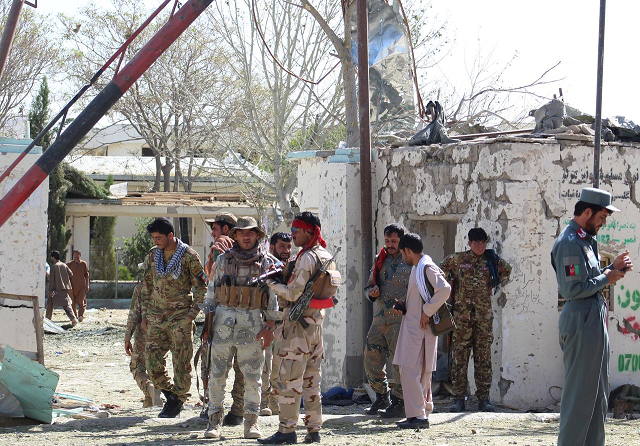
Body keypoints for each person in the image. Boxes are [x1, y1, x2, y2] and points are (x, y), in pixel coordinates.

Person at [551, 187, 632, 446]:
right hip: (580, 319)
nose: (604, 222)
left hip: (593, 318)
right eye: (602, 216)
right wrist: (607, 277)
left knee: (598, 396)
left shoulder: (586, 240)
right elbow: (572, 288)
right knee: (580, 395)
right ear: (587, 211)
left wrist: (611, 269)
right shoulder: (569, 242)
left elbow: (588, 279)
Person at [259, 211, 340, 445]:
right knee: (312, 382)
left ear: (308, 231)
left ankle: (287, 431)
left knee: (289, 382)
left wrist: (272, 283)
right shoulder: (325, 255)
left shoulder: (307, 258)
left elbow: (294, 293)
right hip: (316, 327)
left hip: (296, 329)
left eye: (296, 230)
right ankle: (314, 429)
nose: (292, 233)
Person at [202, 217, 279, 440]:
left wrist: (270, 327)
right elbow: (211, 293)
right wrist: (206, 326)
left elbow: (273, 299)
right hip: (223, 326)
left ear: (257, 236)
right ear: (235, 235)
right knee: (217, 377)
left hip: (253, 326)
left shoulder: (266, 263)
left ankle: (251, 423)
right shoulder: (223, 261)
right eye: (242, 232)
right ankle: (214, 422)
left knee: (252, 379)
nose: (247, 236)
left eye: (251, 233)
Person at [140, 217, 207, 418]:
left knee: (181, 363)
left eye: (159, 238)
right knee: (151, 363)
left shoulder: (188, 256)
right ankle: (171, 395)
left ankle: (178, 401)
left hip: (180, 319)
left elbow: (202, 287)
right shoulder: (153, 256)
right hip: (156, 318)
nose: (155, 242)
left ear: (171, 235)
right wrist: (144, 314)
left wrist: (192, 315)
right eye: (153, 238)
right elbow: (147, 286)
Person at [440, 227, 512, 412]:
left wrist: (492, 283)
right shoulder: (457, 259)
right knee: (459, 359)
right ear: (469, 242)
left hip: (483, 318)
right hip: (462, 318)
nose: (480, 245)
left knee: (483, 359)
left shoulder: (491, 260)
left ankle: (484, 399)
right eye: (476, 242)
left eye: (483, 242)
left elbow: (507, 270)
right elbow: (440, 272)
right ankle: (458, 399)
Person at [392, 232, 451, 429]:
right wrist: (405, 305)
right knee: (418, 372)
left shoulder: (426, 266)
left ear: (408, 250)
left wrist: (426, 311)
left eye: (402, 253)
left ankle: (418, 416)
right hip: (414, 328)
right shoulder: (419, 267)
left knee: (409, 370)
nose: (402, 257)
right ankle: (421, 413)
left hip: (419, 330)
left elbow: (444, 289)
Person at [363, 224, 411, 417]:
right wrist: (371, 293)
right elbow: (368, 287)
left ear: (401, 240)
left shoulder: (410, 259)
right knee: (370, 357)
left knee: (399, 363)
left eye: (394, 241)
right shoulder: (379, 259)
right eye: (387, 241)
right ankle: (382, 396)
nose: (390, 245)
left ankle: (400, 402)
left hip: (400, 320)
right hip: (380, 319)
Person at [201, 212, 244, 425]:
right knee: (243, 366)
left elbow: (212, 283)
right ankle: (238, 410)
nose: (212, 232)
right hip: (246, 316)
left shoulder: (220, 247)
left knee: (214, 364)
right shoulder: (248, 250)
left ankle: (212, 408)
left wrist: (208, 320)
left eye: (215, 228)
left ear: (226, 229)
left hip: (221, 314)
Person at [260, 231, 293, 417]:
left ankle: (276, 400)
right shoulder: (266, 265)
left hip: (285, 322)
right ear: (272, 247)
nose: (286, 250)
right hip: (266, 322)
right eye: (282, 246)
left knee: (281, 366)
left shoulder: (292, 267)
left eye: (289, 246)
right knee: (265, 363)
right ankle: (264, 401)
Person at [125, 283, 162, 408]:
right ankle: (150, 399)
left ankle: (149, 388)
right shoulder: (169, 284)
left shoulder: (141, 288)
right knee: (157, 366)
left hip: (144, 334)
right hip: (163, 333)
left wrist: (127, 337)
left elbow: (134, 314)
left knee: (137, 367)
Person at [46, 250, 78, 326]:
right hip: (64, 288)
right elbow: (71, 274)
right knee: (66, 304)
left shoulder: (53, 266)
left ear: (53, 257)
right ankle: (73, 319)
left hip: (55, 289)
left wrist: (50, 290)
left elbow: (52, 280)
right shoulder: (64, 265)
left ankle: (48, 320)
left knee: (50, 304)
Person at [67, 249, 90, 322]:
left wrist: (87, 285)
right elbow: (65, 274)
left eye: (77, 254)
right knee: (72, 301)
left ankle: (81, 315)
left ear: (80, 255)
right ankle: (74, 315)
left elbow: (86, 275)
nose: (76, 256)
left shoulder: (83, 264)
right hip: (72, 286)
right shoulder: (69, 264)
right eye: (74, 254)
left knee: (81, 301)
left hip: (81, 286)